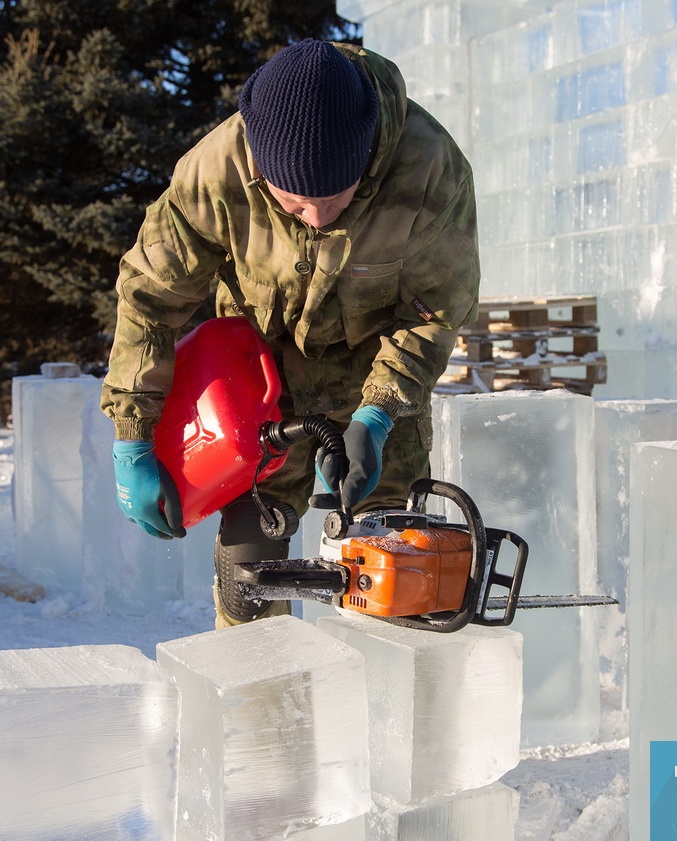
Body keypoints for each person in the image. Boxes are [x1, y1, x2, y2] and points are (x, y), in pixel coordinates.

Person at [101, 39, 480, 628]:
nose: (319, 218)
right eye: (295, 203)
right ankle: (259, 716)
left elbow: (434, 313)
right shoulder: (215, 171)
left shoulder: (429, 170)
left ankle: (388, 714)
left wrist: (378, 416)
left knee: (397, 578)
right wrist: (133, 431)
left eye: (337, 198)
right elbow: (150, 296)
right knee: (247, 579)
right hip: (256, 388)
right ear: (258, 167)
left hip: (375, 379)